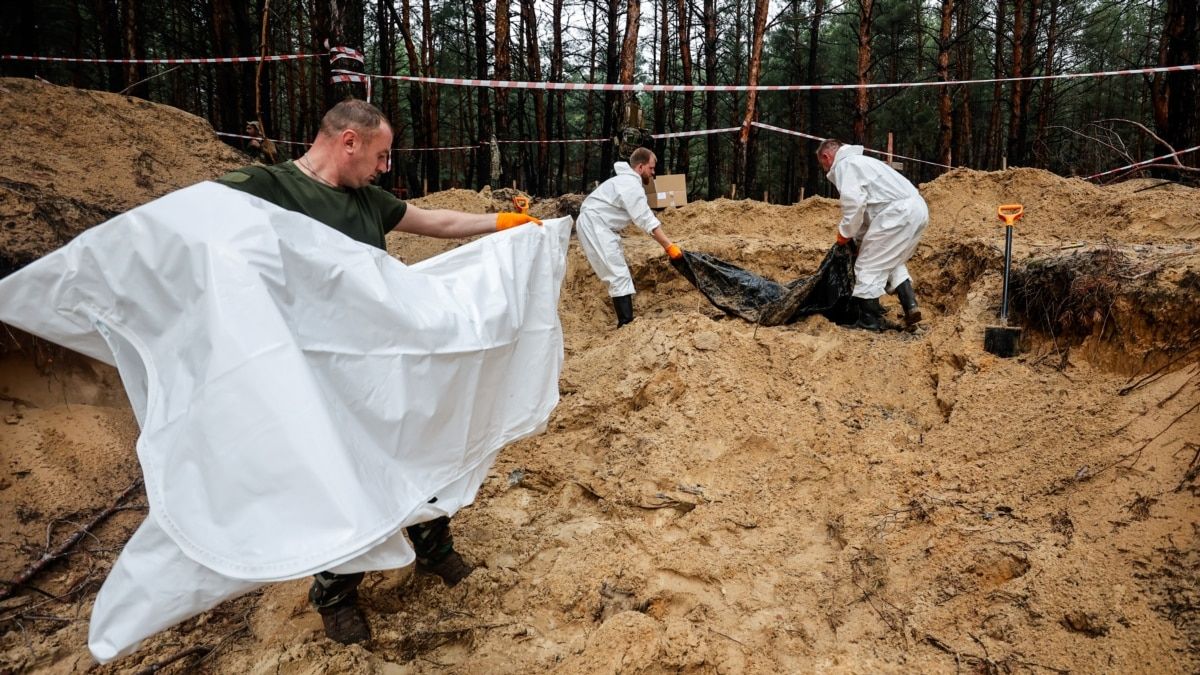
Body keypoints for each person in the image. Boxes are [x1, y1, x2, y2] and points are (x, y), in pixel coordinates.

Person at [216, 99, 541, 645]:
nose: (384, 167)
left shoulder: (367, 200)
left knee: (419, 446)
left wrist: (501, 223)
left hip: (384, 361)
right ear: (349, 141)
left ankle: (433, 544)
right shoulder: (266, 187)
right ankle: (337, 591)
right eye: (381, 155)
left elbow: (435, 220)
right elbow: (190, 224)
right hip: (320, 375)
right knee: (344, 475)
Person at [816, 139, 929, 331]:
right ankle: (911, 306)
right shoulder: (864, 163)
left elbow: (855, 205)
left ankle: (869, 320)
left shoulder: (846, 165)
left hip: (897, 214)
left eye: (823, 164)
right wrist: (859, 242)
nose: (825, 169)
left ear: (826, 156)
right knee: (890, 261)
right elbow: (868, 212)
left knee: (867, 265)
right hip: (917, 210)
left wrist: (844, 235)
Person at [576, 147, 682, 327]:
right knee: (618, 274)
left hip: (600, 226)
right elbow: (645, 219)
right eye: (651, 168)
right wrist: (668, 246)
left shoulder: (626, 182)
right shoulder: (630, 185)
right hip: (596, 225)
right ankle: (625, 323)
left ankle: (625, 321)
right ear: (640, 167)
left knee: (618, 272)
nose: (653, 173)